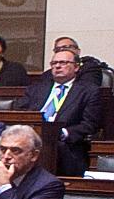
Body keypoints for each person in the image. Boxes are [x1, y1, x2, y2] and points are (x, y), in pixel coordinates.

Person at [24, 44, 102, 177]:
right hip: (30, 138)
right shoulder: (36, 89)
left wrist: (63, 133)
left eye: (63, 63)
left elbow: (90, 125)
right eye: (54, 63)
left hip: (64, 143)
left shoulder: (88, 91)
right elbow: (21, 113)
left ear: (76, 67)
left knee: (51, 148)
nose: (57, 66)